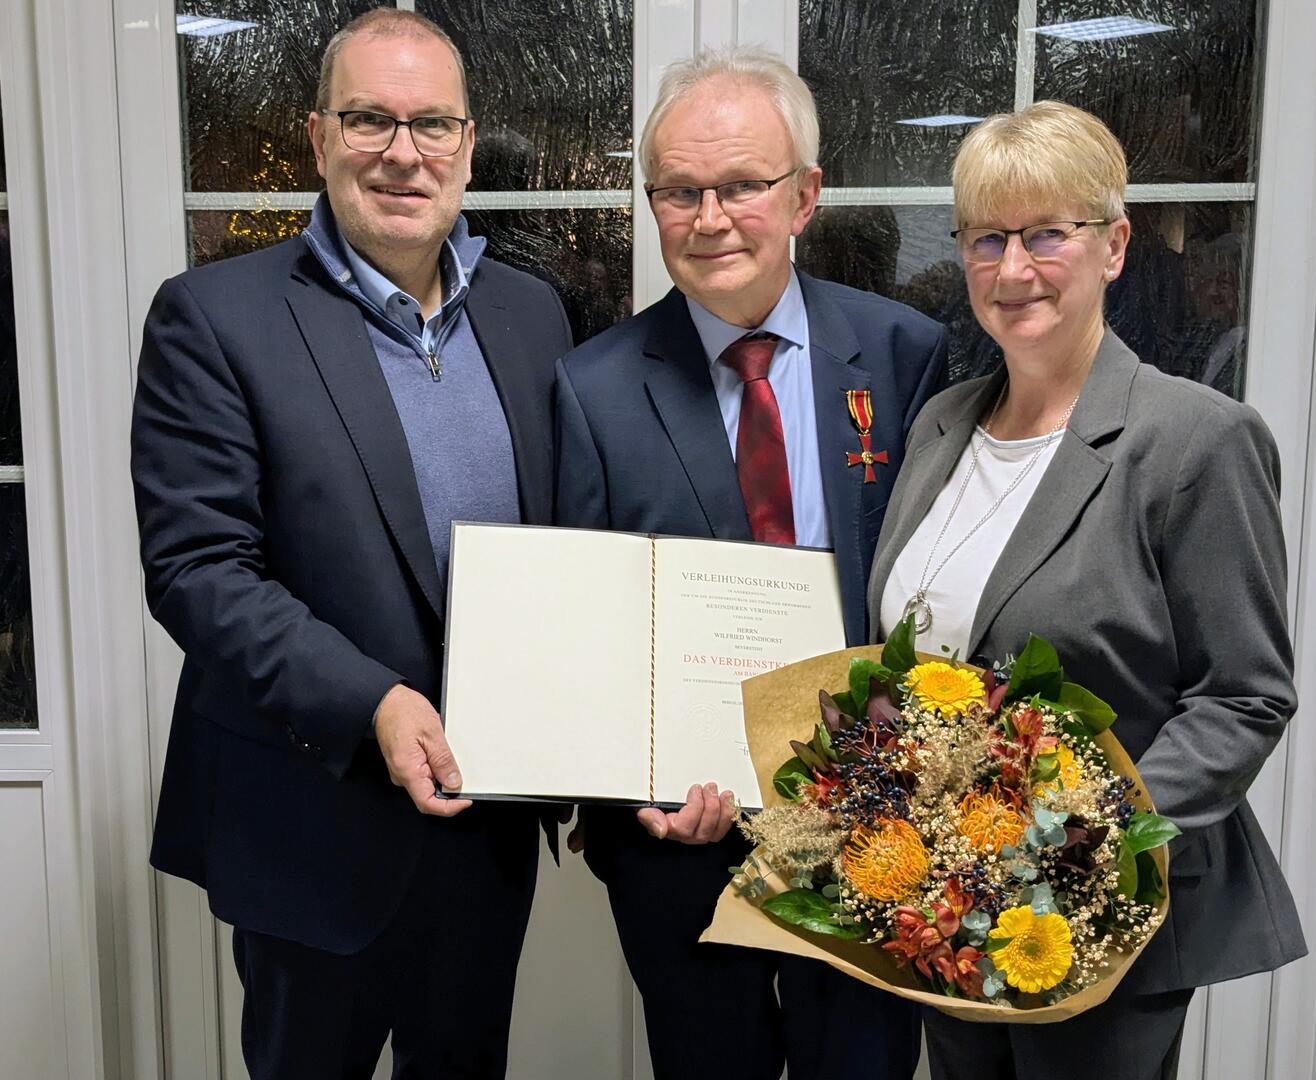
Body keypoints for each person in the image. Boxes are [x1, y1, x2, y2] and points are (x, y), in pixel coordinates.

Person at [129, 10, 573, 1078]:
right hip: (309, 821)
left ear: (469, 145)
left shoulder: (534, 315)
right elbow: (197, 570)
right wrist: (373, 702)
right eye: (371, 119)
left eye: (432, 124)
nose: (403, 152)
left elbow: (565, 553)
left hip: (485, 819)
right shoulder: (215, 317)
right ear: (321, 138)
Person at [867, 100, 1305, 1079]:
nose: (1013, 268)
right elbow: (914, 653)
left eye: (1047, 235)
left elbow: (1245, 693)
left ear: (1115, 245)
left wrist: (1085, 836)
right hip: (948, 904)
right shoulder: (942, 425)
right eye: (987, 237)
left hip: (1102, 916)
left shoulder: (1195, 440)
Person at [553, 46, 949, 1080]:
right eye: (679, 190)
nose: (710, 215)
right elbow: (583, 620)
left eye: (741, 185)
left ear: (806, 195)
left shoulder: (907, 355)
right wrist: (623, 785)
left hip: (873, 820)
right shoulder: (590, 389)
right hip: (681, 838)